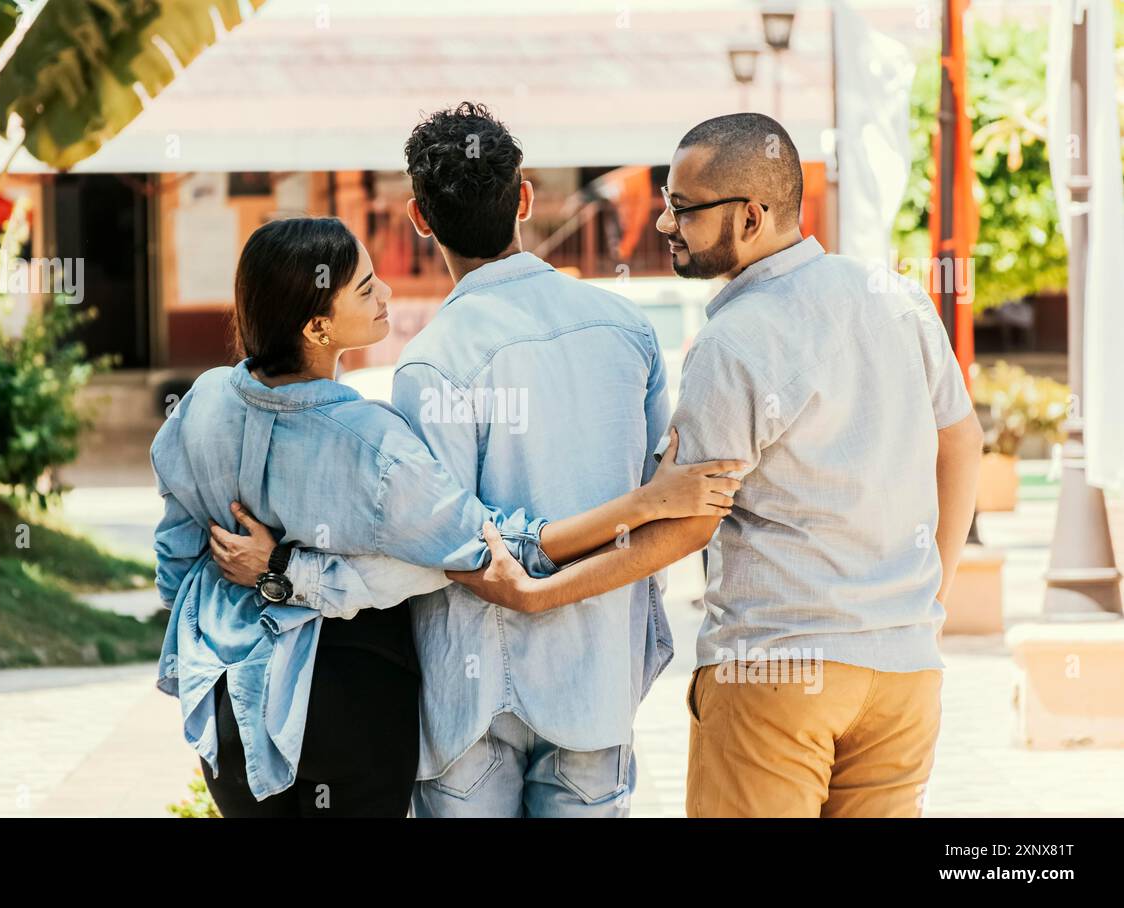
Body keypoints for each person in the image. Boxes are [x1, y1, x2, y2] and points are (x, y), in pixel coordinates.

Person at [450, 113, 984, 818]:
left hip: (775, 672)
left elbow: (687, 526)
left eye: (685, 209)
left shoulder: (732, 342)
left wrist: (538, 594)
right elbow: (962, 441)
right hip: (904, 672)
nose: (666, 224)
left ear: (753, 216)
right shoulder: (897, 299)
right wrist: (929, 599)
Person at [208, 102, 718, 817]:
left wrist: (286, 572)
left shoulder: (431, 364)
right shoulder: (627, 333)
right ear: (526, 196)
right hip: (594, 677)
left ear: (420, 218)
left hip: (470, 702)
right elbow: (659, 506)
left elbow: (442, 547)